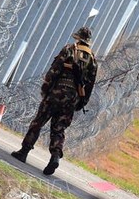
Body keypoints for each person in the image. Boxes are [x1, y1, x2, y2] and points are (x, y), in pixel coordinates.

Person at [11, 27, 98, 175]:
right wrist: (81, 102)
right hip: (72, 98)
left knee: (38, 122)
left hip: (57, 92)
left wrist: (46, 89)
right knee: (59, 129)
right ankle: (55, 157)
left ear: (77, 38)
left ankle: (24, 151)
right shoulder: (93, 59)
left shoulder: (69, 49)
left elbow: (54, 70)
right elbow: (89, 85)